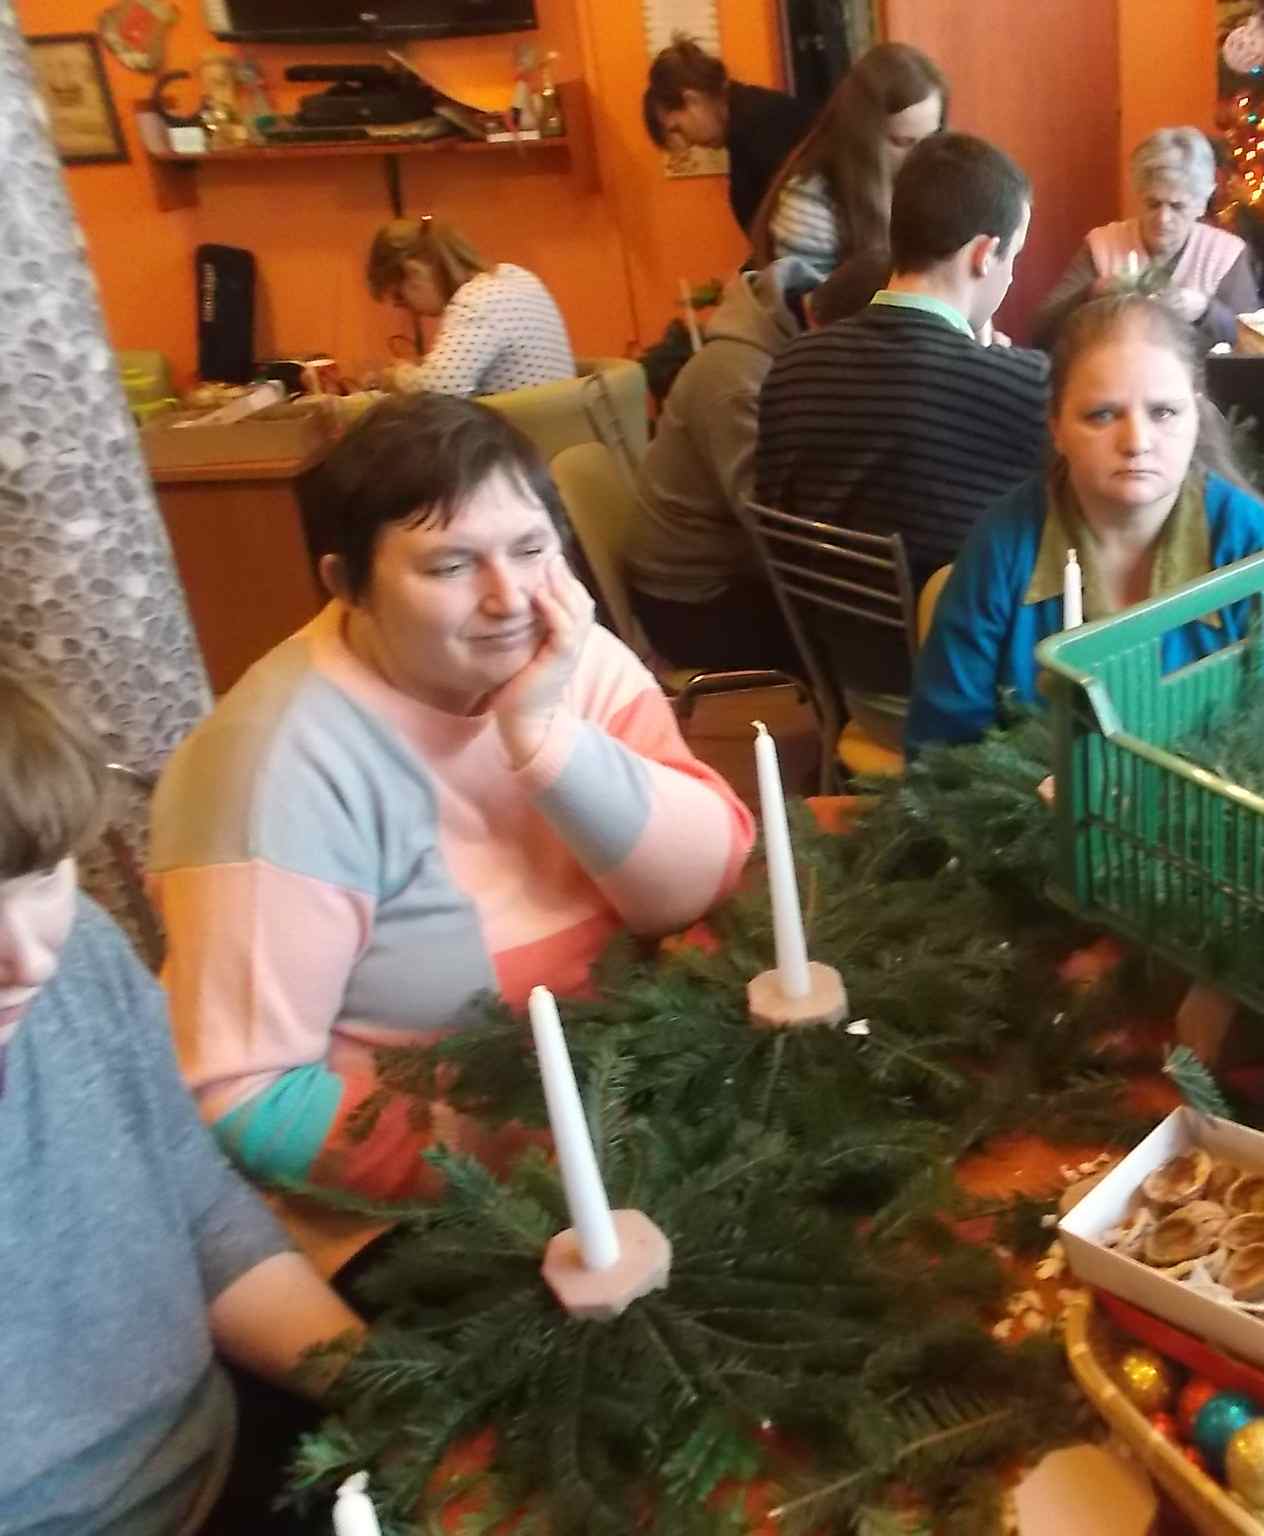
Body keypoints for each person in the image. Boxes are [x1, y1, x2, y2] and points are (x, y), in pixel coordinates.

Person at [150, 396, 756, 1204]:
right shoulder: (267, 771)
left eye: (531, 549)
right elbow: (240, 1093)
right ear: (347, 585)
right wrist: (528, 1170)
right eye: (450, 566)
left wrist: (544, 738)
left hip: (643, 1098)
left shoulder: (566, 652)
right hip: (462, 1204)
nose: (510, 598)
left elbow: (699, 884)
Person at [0, 671, 365, 1536]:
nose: (29, 960)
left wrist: (394, 1394)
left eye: (43, 876)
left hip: (223, 1457)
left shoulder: (83, 955)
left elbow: (198, 1213)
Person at [908, 295, 1264, 749]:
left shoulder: (1260, 551)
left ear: (1196, 415)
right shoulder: (1001, 549)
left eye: (1163, 412)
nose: (1137, 442)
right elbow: (941, 749)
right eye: (1103, 415)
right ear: (1056, 427)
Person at [755, 130, 1049, 587]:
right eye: (1013, 257)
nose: (1010, 278)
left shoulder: (791, 366)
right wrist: (995, 365)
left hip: (820, 625)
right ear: (984, 254)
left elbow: (777, 525)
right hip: (956, 629)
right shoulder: (1026, 388)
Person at [627, 249, 893, 674]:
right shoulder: (739, 382)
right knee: (871, 639)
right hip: (694, 600)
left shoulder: (801, 339)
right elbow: (777, 528)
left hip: (739, 570)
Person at [1031, 127, 1260, 350]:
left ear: (1201, 204)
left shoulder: (1225, 254)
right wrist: (1093, 294)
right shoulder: (1102, 245)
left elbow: (1253, 342)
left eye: (1177, 206)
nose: (1163, 219)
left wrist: (1205, 312)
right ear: (1139, 195)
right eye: (1153, 204)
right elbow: (1042, 332)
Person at [749, 42, 947, 271]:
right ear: (862, 136)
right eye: (902, 142)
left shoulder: (933, 177)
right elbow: (812, 296)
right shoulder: (809, 205)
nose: (921, 155)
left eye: (930, 138)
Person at [367, 216, 576, 397]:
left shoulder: (475, 303)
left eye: (400, 298)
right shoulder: (515, 277)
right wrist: (421, 368)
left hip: (518, 427)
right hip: (559, 422)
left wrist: (397, 376)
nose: (410, 310)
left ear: (414, 272)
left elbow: (441, 389)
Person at [643, 34, 817, 234]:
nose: (687, 144)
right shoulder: (749, 123)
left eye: (678, 129)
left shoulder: (761, 125)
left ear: (692, 100)